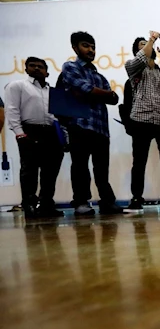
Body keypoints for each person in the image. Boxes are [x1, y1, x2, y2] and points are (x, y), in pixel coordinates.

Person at [61, 31, 122, 215]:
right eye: (86, 46)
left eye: (93, 47)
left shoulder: (99, 76)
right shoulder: (70, 67)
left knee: (102, 169)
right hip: (79, 125)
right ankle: (81, 202)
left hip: (101, 128)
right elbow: (83, 88)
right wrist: (102, 94)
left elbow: (114, 98)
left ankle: (107, 202)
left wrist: (95, 93)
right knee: (80, 167)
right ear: (75, 47)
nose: (91, 50)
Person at [124, 31, 160, 213]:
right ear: (137, 52)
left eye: (146, 43)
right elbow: (140, 59)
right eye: (142, 44)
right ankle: (136, 199)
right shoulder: (132, 67)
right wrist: (151, 39)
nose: (146, 45)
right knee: (139, 161)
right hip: (141, 119)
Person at [4, 57, 64, 218]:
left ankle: (46, 205)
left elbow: (59, 115)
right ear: (26, 69)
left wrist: (63, 136)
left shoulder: (53, 91)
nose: (37, 69)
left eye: (41, 66)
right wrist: (19, 133)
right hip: (29, 130)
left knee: (50, 172)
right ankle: (29, 205)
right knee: (29, 171)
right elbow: (12, 109)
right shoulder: (17, 86)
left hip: (52, 131)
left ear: (47, 72)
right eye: (33, 66)